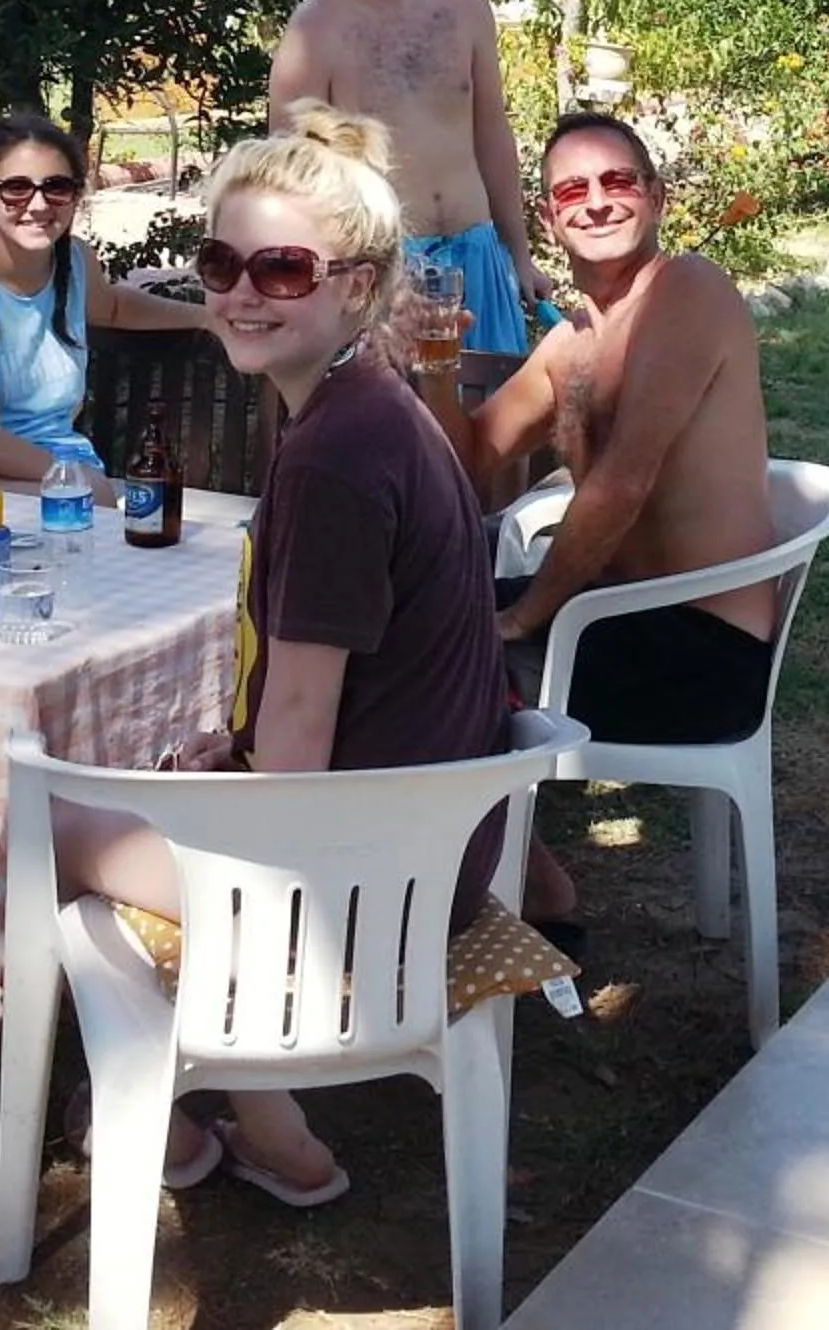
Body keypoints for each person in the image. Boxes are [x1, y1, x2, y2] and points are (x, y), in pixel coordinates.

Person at [52, 101, 509, 1208]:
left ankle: (185, 1115)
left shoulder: (335, 457)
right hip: (433, 841)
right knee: (159, 783)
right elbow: (319, 704)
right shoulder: (369, 409)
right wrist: (236, 756)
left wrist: (234, 790)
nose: (242, 293)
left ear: (358, 286)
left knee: (46, 825)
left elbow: (300, 747)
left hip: (375, 882)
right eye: (221, 263)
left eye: (284, 269)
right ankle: (265, 1127)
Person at [418, 111, 778, 927]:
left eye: (617, 181)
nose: (597, 202)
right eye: (572, 190)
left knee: (429, 663)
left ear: (657, 196)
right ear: (549, 218)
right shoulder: (572, 343)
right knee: (396, 623)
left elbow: (622, 483)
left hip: (701, 656)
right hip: (610, 621)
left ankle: (525, 900)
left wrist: (523, 616)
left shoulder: (688, 290)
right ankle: (487, 877)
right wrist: (436, 362)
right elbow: (464, 461)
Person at [269, 0, 551, 357]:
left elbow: (492, 133)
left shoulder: (466, 5)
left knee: (497, 410)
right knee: (394, 414)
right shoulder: (311, 33)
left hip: (479, 258)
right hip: (380, 274)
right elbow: (289, 181)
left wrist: (519, 255)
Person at [0, 113, 210, 490]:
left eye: (56, 187)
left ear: (76, 196)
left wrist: (209, 317)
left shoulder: (75, 262)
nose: (38, 205)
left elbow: (114, 307)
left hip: (50, 458)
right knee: (87, 502)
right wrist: (77, 480)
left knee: (109, 504)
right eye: (17, 188)